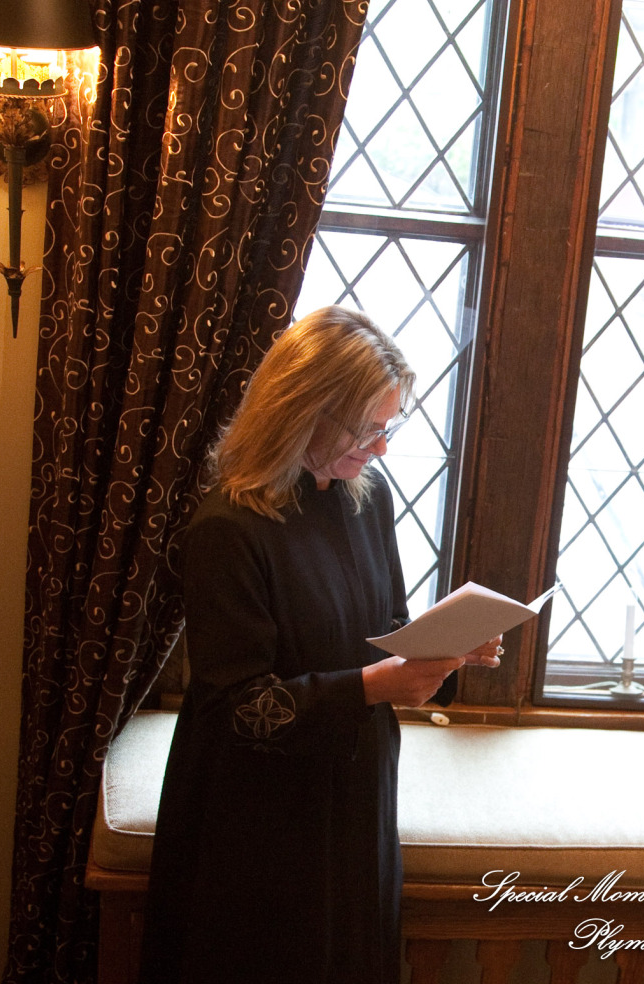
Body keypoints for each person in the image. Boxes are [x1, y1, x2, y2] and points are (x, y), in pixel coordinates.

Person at [138, 306, 501, 984]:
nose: (381, 447)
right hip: (258, 817)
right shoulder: (228, 527)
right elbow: (239, 709)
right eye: (368, 428)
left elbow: (387, 626)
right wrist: (375, 686)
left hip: (357, 786)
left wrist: (445, 650)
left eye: (389, 426)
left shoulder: (367, 500)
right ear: (304, 408)